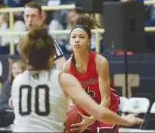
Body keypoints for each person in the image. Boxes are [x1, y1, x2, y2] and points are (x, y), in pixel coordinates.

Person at [10, 21, 143, 132]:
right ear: (52, 55)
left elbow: (14, 104)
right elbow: (98, 112)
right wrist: (125, 120)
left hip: (103, 104)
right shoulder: (62, 79)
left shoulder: (18, 81)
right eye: (73, 37)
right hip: (88, 110)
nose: (77, 41)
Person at [62, 15, 120, 133]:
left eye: (81, 37)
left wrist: (92, 119)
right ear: (70, 41)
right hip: (83, 108)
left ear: (89, 41)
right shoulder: (67, 67)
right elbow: (70, 98)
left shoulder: (100, 62)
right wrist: (73, 111)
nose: (77, 40)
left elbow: (106, 98)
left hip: (105, 107)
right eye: (73, 37)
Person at [23, 1, 66, 69]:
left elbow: (61, 64)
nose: (30, 20)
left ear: (41, 17)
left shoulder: (46, 38)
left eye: (33, 16)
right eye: (27, 16)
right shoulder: (26, 38)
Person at [0, 60, 26, 133]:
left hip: (21, 113)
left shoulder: (27, 83)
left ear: (24, 70)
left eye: (19, 68)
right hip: (7, 112)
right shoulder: (8, 83)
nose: (16, 71)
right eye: (14, 68)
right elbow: (1, 104)